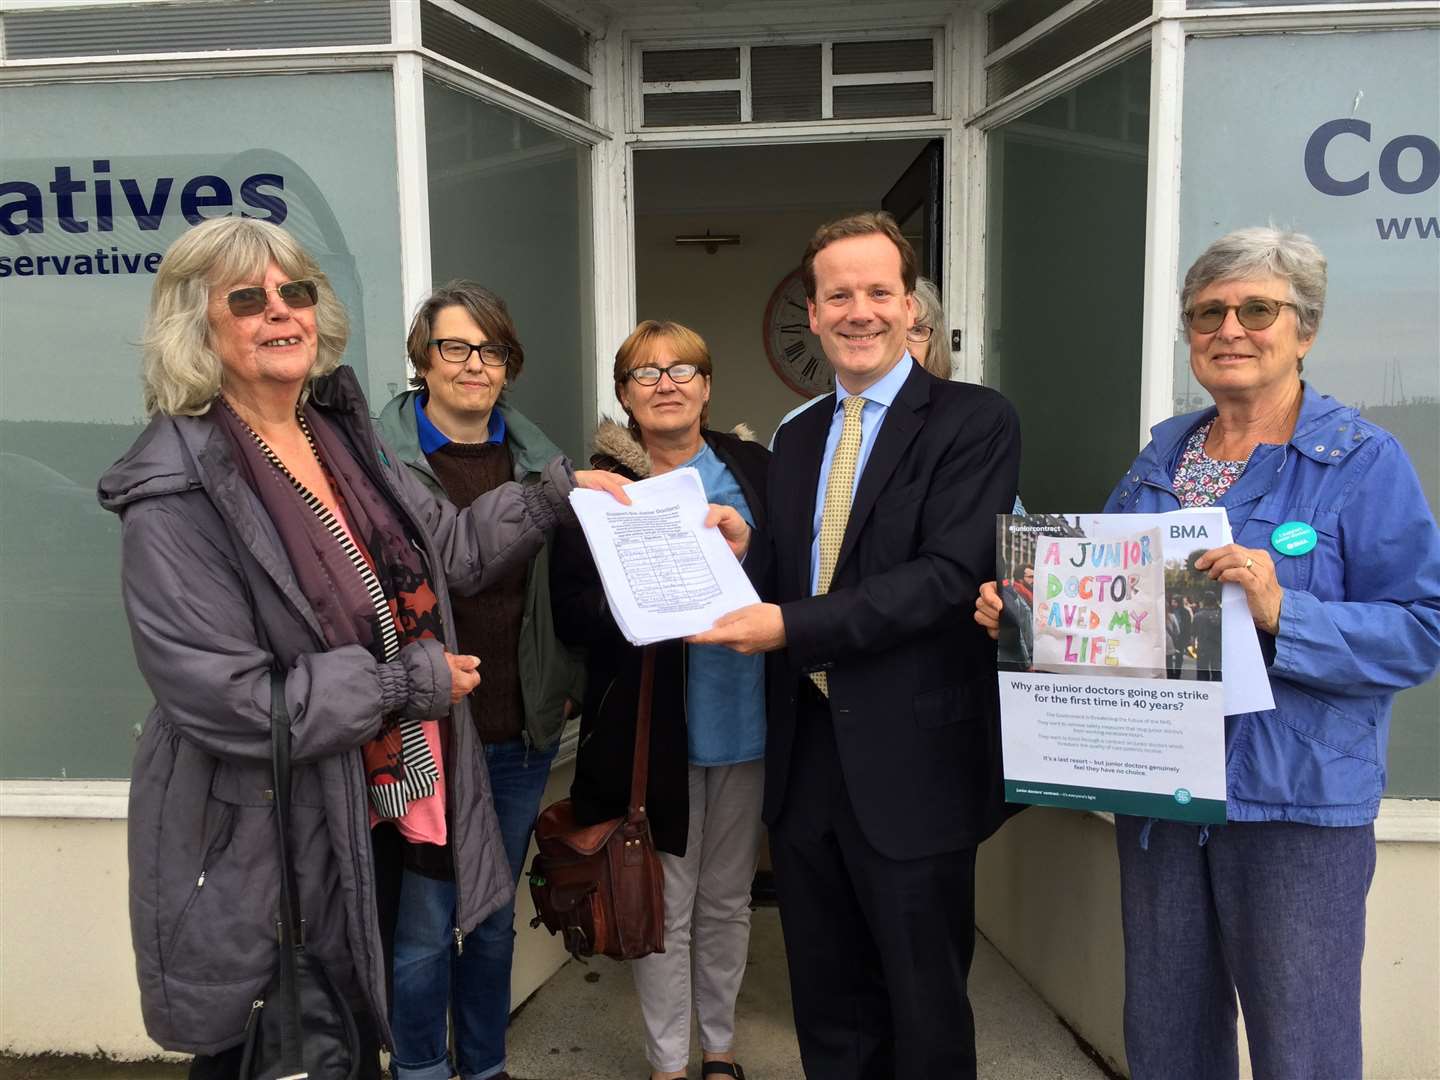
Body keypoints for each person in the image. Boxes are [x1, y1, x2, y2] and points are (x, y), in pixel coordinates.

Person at [99, 217, 627, 1078]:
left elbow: (450, 552)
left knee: (350, 1034)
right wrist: (403, 684)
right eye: (247, 298)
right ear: (195, 325)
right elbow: (231, 697)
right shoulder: (177, 486)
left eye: (294, 291)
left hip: (377, 802)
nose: (280, 312)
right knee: (275, 1047)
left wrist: (562, 491)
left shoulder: (338, 435)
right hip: (266, 832)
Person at [976, 227, 1440, 1080]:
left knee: (1301, 1043)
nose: (1230, 328)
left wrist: (1281, 610)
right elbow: (1122, 613)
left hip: (1294, 802)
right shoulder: (1163, 459)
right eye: (1206, 313)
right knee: (1167, 1035)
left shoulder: (1362, 462)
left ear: (1304, 329)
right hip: (1162, 791)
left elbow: (1421, 630)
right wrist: (1033, 614)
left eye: (1256, 309)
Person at [692, 211, 1022, 1077]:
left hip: (915, 767)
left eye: (879, 291)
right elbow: (799, 573)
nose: (859, 310)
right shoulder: (800, 435)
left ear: (911, 309)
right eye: (839, 294)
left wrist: (787, 627)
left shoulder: (973, 421)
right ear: (812, 311)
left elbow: (946, 576)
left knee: (925, 1011)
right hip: (807, 769)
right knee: (829, 1009)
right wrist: (742, 548)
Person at [376, 282, 585, 1080]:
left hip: (516, 729)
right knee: (425, 922)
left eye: (489, 349)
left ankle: (486, 1066)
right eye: (454, 347)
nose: (473, 364)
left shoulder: (542, 459)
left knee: (493, 918)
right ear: (422, 360)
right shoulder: (377, 462)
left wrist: (561, 681)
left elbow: (569, 590)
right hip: (421, 729)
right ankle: (422, 1068)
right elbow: (455, 560)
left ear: (509, 365)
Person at [550, 320, 769, 1080]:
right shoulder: (598, 489)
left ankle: (720, 1050)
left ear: (707, 388)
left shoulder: (757, 471)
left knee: (728, 900)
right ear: (623, 396)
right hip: (652, 733)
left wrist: (751, 548)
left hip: (748, 722)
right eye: (645, 373)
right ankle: (668, 1063)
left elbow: (800, 581)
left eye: (683, 369)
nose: (666, 383)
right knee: (663, 906)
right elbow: (570, 612)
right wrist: (639, 590)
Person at [772, 274, 949, 440]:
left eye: (916, 331)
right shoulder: (795, 426)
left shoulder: (962, 416)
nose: (900, 344)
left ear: (934, 344)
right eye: (884, 331)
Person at [1191, 593, 1222, 681]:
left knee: (1202, 671)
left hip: (1203, 647)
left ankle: (1204, 691)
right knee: (1217, 671)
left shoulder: (1198, 616)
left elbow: (1193, 634)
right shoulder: (1221, 615)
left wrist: (1193, 647)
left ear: (1204, 601)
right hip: (1217, 647)